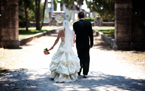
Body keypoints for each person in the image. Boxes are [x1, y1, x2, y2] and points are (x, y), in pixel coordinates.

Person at [73, 12, 94, 78]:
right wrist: (91, 43)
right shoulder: (88, 23)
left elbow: (73, 34)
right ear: (84, 16)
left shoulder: (75, 24)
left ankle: (79, 71)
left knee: (79, 56)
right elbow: (91, 34)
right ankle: (85, 72)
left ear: (78, 16)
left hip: (78, 42)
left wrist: (73, 41)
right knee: (86, 57)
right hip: (86, 42)